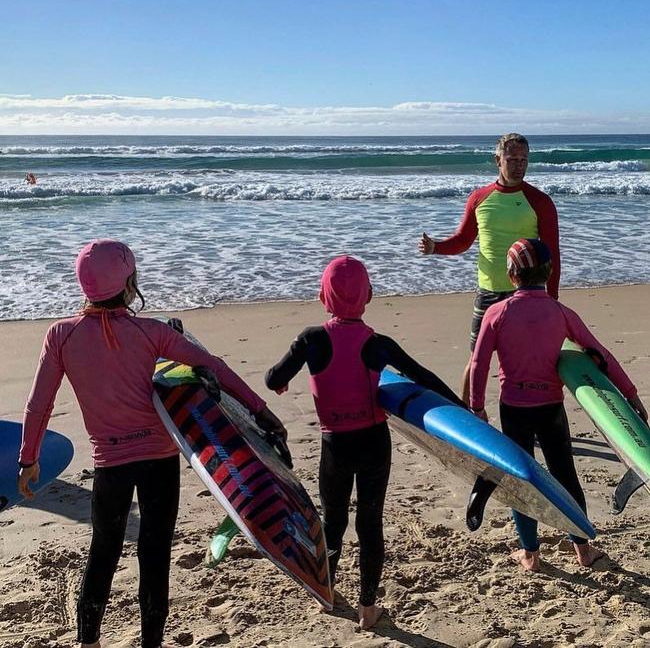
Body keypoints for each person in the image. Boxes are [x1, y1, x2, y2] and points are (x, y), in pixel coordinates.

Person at [18, 239, 286, 648]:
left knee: (103, 551)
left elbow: (40, 404)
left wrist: (29, 460)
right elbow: (213, 366)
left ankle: (88, 641)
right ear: (129, 281)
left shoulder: (61, 336)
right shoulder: (152, 332)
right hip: (159, 460)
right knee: (155, 554)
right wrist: (260, 410)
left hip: (110, 463)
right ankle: (151, 643)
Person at [265, 255, 465, 630]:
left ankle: (326, 593)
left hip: (334, 445)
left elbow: (273, 377)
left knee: (333, 521)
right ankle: (369, 608)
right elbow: (423, 376)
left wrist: (281, 380)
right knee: (370, 522)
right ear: (368, 295)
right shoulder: (378, 344)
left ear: (323, 295)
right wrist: (462, 410)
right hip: (374, 442)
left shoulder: (310, 340)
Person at [469, 238, 647, 572]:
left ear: (511, 275)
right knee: (565, 475)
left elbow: (478, 364)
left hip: (513, 409)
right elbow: (599, 355)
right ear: (549, 274)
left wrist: (477, 408)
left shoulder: (497, 313)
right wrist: (630, 394)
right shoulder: (561, 313)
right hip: (551, 408)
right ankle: (582, 550)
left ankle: (530, 555)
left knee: (520, 478)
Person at [418, 133, 560, 404]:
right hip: (488, 292)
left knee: (531, 361)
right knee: (476, 359)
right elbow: (463, 240)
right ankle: (466, 416)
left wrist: (551, 300)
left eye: (524, 160)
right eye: (512, 159)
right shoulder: (480, 198)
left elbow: (552, 254)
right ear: (497, 160)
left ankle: (536, 414)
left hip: (527, 295)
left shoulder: (540, 201)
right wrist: (436, 247)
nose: (519, 165)